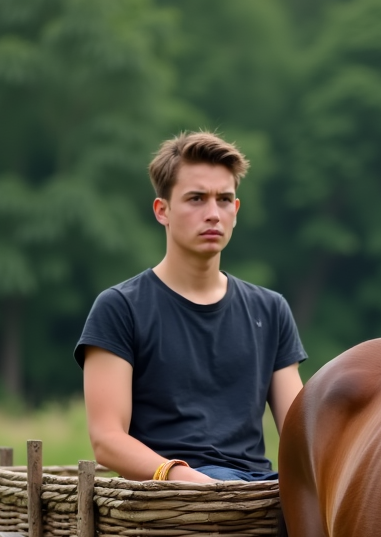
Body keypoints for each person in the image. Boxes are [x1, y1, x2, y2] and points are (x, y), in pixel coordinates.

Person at [74, 131, 306, 483]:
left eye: (224, 200)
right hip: (171, 497)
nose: (213, 214)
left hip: (257, 491)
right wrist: (189, 480)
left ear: (236, 211)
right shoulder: (120, 308)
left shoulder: (270, 310)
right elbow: (107, 440)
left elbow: (300, 435)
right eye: (196, 199)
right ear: (162, 211)